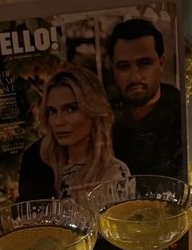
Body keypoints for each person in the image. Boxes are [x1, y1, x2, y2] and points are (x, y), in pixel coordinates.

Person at [18, 64, 130, 203]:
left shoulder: (115, 170)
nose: (58, 121)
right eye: (52, 111)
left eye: (71, 109)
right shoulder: (38, 162)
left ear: (93, 110)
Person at [106, 18, 183, 179]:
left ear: (161, 63)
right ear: (112, 67)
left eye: (144, 63)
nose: (134, 77)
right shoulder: (103, 118)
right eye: (123, 66)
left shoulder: (183, 112)